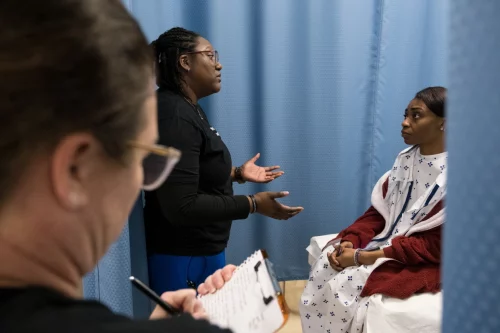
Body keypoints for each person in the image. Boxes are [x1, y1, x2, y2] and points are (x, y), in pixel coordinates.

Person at [0, 1, 236, 332]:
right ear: (75, 171)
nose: (144, 180)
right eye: (144, 158)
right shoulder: (175, 112)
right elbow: (182, 204)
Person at [144, 27, 304, 294]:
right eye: (210, 55)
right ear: (185, 62)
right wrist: (253, 204)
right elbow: (181, 205)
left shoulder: (185, 107)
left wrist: (237, 173)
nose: (219, 64)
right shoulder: (175, 115)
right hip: (183, 258)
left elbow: (186, 174)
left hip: (197, 253)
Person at [299, 87, 447, 333]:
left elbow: (434, 246)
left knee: (345, 283)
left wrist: (363, 257)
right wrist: (350, 240)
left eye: (416, 115)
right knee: (327, 261)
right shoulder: (406, 161)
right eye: (405, 114)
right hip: (392, 244)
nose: (404, 122)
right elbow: (378, 214)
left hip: (428, 257)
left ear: (443, 123)